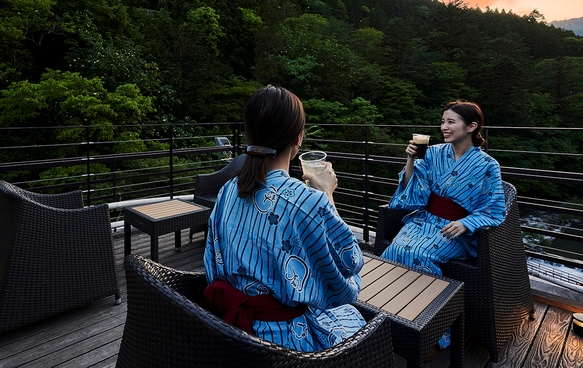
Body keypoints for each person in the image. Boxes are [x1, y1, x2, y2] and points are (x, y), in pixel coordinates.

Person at [203, 85, 366, 352]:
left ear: (250, 133)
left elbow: (211, 261)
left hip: (230, 327)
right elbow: (350, 262)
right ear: (298, 138)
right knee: (358, 324)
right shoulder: (308, 202)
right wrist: (327, 195)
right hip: (285, 341)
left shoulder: (228, 189)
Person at [380, 101, 506, 351]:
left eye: (451, 122)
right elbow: (413, 193)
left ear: (471, 126)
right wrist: (410, 159)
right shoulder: (434, 152)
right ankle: (395, 319)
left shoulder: (488, 165)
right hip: (425, 219)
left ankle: (433, 335)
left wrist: (467, 222)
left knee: (418, 255)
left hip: (455, 229)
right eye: (442, 121)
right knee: (395, 251)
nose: (444, 127)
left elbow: (494, 209)